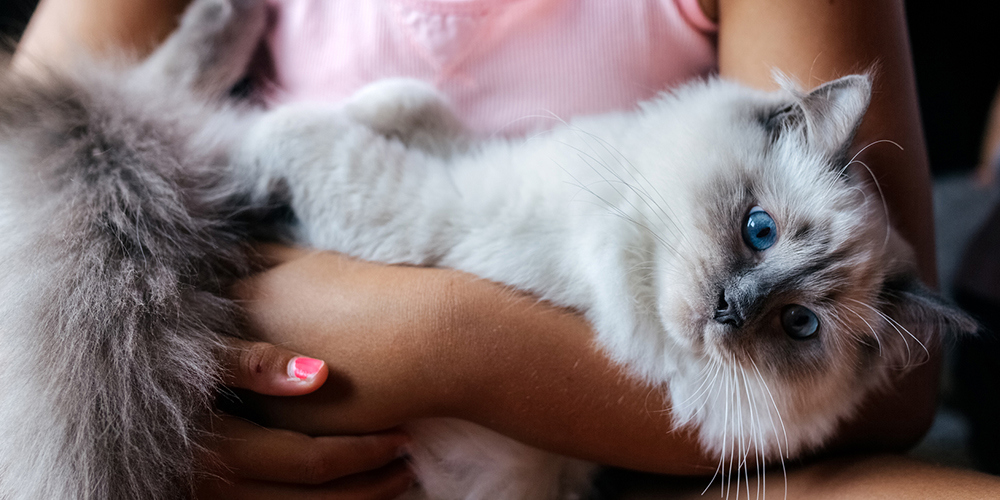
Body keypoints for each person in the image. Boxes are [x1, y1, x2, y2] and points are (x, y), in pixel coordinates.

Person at [12, 0, 1000, 498]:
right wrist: (162, 410)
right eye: (755, 236)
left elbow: (893, 396)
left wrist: (448, 339)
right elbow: (27, 162)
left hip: (611, 453)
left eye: (792, 317)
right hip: (195, 376)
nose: (741, 305)